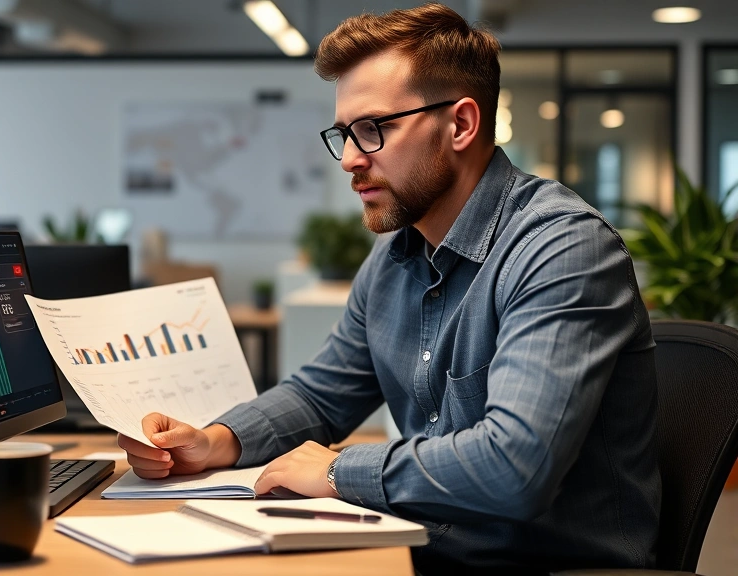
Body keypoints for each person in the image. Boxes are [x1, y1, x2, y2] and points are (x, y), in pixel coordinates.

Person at [117, 3, 659, 574]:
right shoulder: (397, 255)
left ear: (461, 125)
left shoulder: (562, 249)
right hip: (425, 548)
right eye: (344, 134)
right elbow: (321, 394)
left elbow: (515, 466)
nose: (350, 159)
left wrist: (337, 470)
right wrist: (215, 440)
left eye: (373, 129)